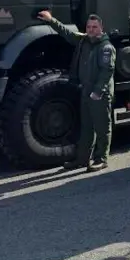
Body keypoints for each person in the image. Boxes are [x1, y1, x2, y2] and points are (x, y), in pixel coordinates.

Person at [37, 10, 116, 173]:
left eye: (94, 27)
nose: (91, 29)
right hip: (86, 90)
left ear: (101, 28)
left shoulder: (106, 47)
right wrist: (51, 20)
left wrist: (98, 91)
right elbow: (67, 33)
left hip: (99, 93)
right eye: (89, 26)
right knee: (86, 127)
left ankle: (101, 159)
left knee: (102, 127)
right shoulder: (83, 41)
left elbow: (107, 71)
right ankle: (82, 159)